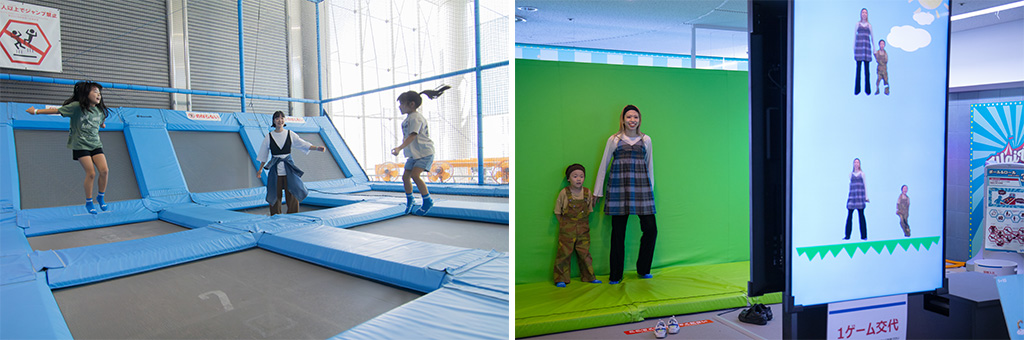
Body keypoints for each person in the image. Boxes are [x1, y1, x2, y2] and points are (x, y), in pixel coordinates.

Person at [593, 104, 657, 284]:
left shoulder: (646, 140)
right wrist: (597, 192)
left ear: (639, 120)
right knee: (618, 233)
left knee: (651, 230)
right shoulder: (614, 140)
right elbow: (604, 164)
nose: (632, 120)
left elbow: (649, 165)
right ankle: (616, 275)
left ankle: (643, 269)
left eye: (635, 117)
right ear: (622, 119)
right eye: (629, 117)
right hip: (618, 189)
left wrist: (650, 191)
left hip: (642, 189)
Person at [27, 81, 110, 214]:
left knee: (104, 171)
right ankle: (89, 202)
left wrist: (102, 125)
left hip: (95, 144)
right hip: (80, 144)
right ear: (85, 94)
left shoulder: (100, 111)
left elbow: (101, 121)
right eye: (95, 92)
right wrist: (36, 111)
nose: (98, 95)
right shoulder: (76, 107)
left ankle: (100, 197)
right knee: (91, 173)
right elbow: (57, 110)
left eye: (99, 93)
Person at [391, 85, 450, 215]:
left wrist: (400, 148)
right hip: (414, 154)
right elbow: (408, 137)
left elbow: (413, 135)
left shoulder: (416, 118)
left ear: (411, 104)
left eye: (402, 104)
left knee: (414, 175)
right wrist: (402, 148)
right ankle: (410, 199)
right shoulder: (408, 119)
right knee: (405, 177)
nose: (399, 107)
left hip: (425, 153)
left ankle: (427, 201)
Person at [256, 111, 326, 215]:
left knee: (293, 193)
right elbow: (263, 154)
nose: (280, 120)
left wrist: (316, 148)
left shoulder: (290, 134)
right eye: (277, 118)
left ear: (284, 120)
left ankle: (294, 216)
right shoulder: (269, 137)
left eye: (282, 118)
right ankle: (275, 216)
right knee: (274, 195)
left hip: (289, 169)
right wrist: (260, 169)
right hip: (276, 170)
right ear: (274, 121)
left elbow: (302, 144)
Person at [553, 163, 601, 287]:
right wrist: (566, 225)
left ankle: (589, 276)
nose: (578, 179)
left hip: (583, 230)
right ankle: (560, 279)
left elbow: (589, 211)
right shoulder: (564, 193)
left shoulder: (587, 193)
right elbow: (558, 212)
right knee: (564, 253)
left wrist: (580, 224)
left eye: (581, 176)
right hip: (567, 230)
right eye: (575, 176)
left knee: (585, 253)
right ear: (568, 178)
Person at [844, 158, 870, 240]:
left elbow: (865, 185)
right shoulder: (850, 174)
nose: (856, 164)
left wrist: (866, 197)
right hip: (852, 197)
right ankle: (847, 235)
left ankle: (864, 236)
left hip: (860, 197)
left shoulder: (862, 174)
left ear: (859, 164)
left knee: (861, 216)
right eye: (855, 162)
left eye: (857, 162)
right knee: (849, 216)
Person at [854, 8, 874, 96]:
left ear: (867, 15)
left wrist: (874, 48)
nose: (864, 14)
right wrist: (853, 47)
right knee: (858, 70)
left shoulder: (869, 25)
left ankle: (868, 90)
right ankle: (857, 90)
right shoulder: (857, 24)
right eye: (863, 13)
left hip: (866, 49)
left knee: (867, 71)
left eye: (865, 13)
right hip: (859, 48)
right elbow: (855, 36)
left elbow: (872, 37)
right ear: (860, 14)